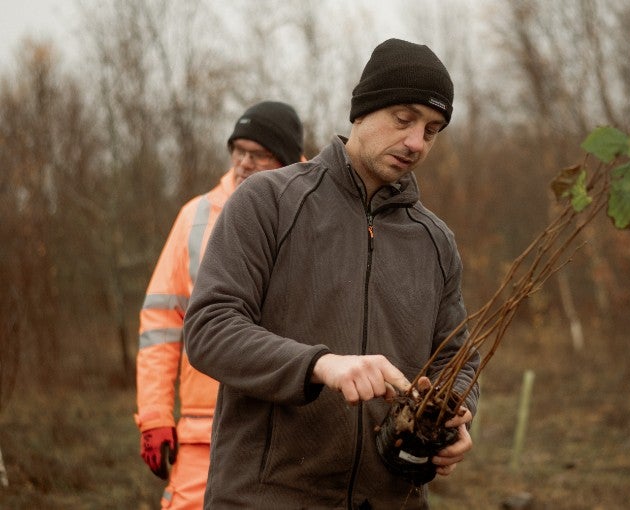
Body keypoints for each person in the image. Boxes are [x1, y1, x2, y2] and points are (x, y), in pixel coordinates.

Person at [183, 38, 479, 509]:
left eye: (433, 129)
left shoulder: (434, 240)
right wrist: (321, 365)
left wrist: (457, 418)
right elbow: (209, 329)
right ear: (361, 111)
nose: (416, 143)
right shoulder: (268, 201)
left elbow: (457, 360)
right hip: (265, 499)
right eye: (403, 120)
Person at [135, 100, 304, 509]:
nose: (243, 163)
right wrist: (155, 415)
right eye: (237, 150)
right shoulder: (195, 216)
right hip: (203, 431)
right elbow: (161, 322)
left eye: (257, 154)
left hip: (294, 427)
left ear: (284, 158)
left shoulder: (316, 214)